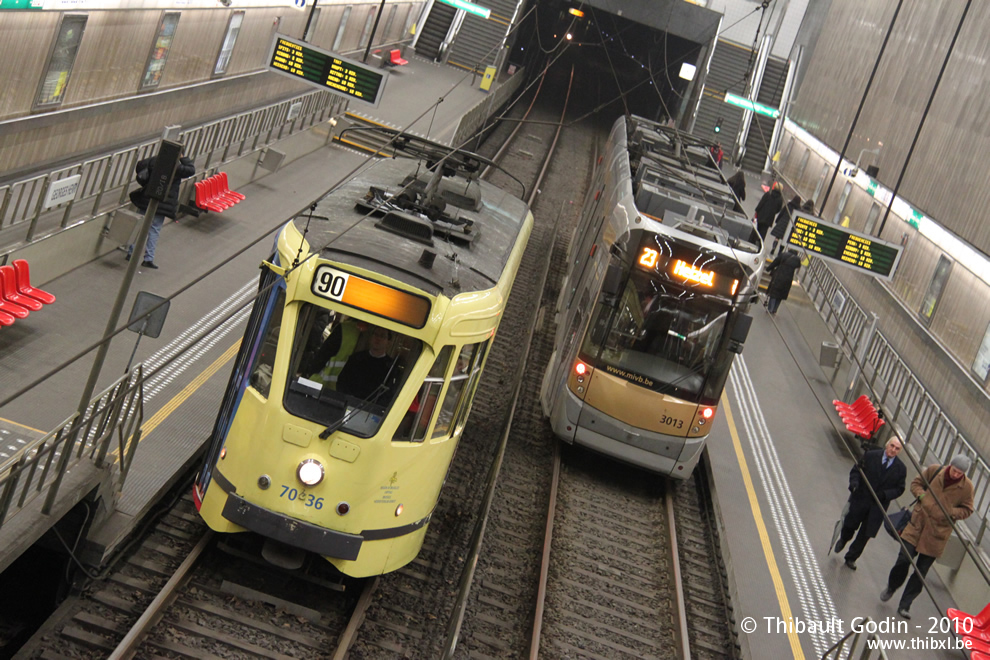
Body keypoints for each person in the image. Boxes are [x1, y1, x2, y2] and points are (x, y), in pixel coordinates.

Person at [880, 454, 974, 619]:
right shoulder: (934, 471)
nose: (956, 474)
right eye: (954, 470)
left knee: (921, 571)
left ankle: (905, 605)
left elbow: (967, 509)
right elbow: (916, 483)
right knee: (903, 558)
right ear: (950, 465)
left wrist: (951, 512)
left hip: (937, 534)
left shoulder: (967, 488)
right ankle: (892, 586)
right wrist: (921, 496)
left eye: (960, 473)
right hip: (917, 524)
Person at [835, 438, 906, 569]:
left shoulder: (901, 469)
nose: (893, 450)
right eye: (892, 446)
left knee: (865, 534)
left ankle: (851, 557)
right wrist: (854, 484)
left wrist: (885, 495)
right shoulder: (871, 456)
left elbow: (900, 489)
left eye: (897, 449)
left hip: (877, 507)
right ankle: (844, 538)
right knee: (850, 525)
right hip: (861, 499)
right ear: (887, 445)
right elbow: (856, 471)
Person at [127, 149, 196, 269]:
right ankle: (148, 258)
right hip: (164, 202)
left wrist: (160, 155)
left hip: (148, 198)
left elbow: (140, 164)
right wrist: (183, 158)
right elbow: (191, 170)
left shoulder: (156, 161)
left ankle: (131, 252)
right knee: (155, 229)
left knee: (139, 225)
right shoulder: (177, 167)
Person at [337, 325, 397, 400]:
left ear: (388, 342)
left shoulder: (390, 367)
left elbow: (388, 394)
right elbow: (342, 381)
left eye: (382, 336)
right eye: (375, 334)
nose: (377, 338)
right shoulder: (356, 358)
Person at [305, 317, 365, 389]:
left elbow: (322, 356)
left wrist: (309, 373)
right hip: (345, 393)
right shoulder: (379, 336)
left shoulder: (345, 329)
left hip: (321, 388)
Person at [765, 248, 802, 314]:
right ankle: (774, 309)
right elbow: (798, 266)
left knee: (774, 293)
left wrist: (768, 269)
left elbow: (775, 263)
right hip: (788, 279)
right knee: (781, 295)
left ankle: (770, 309)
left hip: (779, 276)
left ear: (789, 249)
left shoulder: (783, 255)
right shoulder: (797, 259)